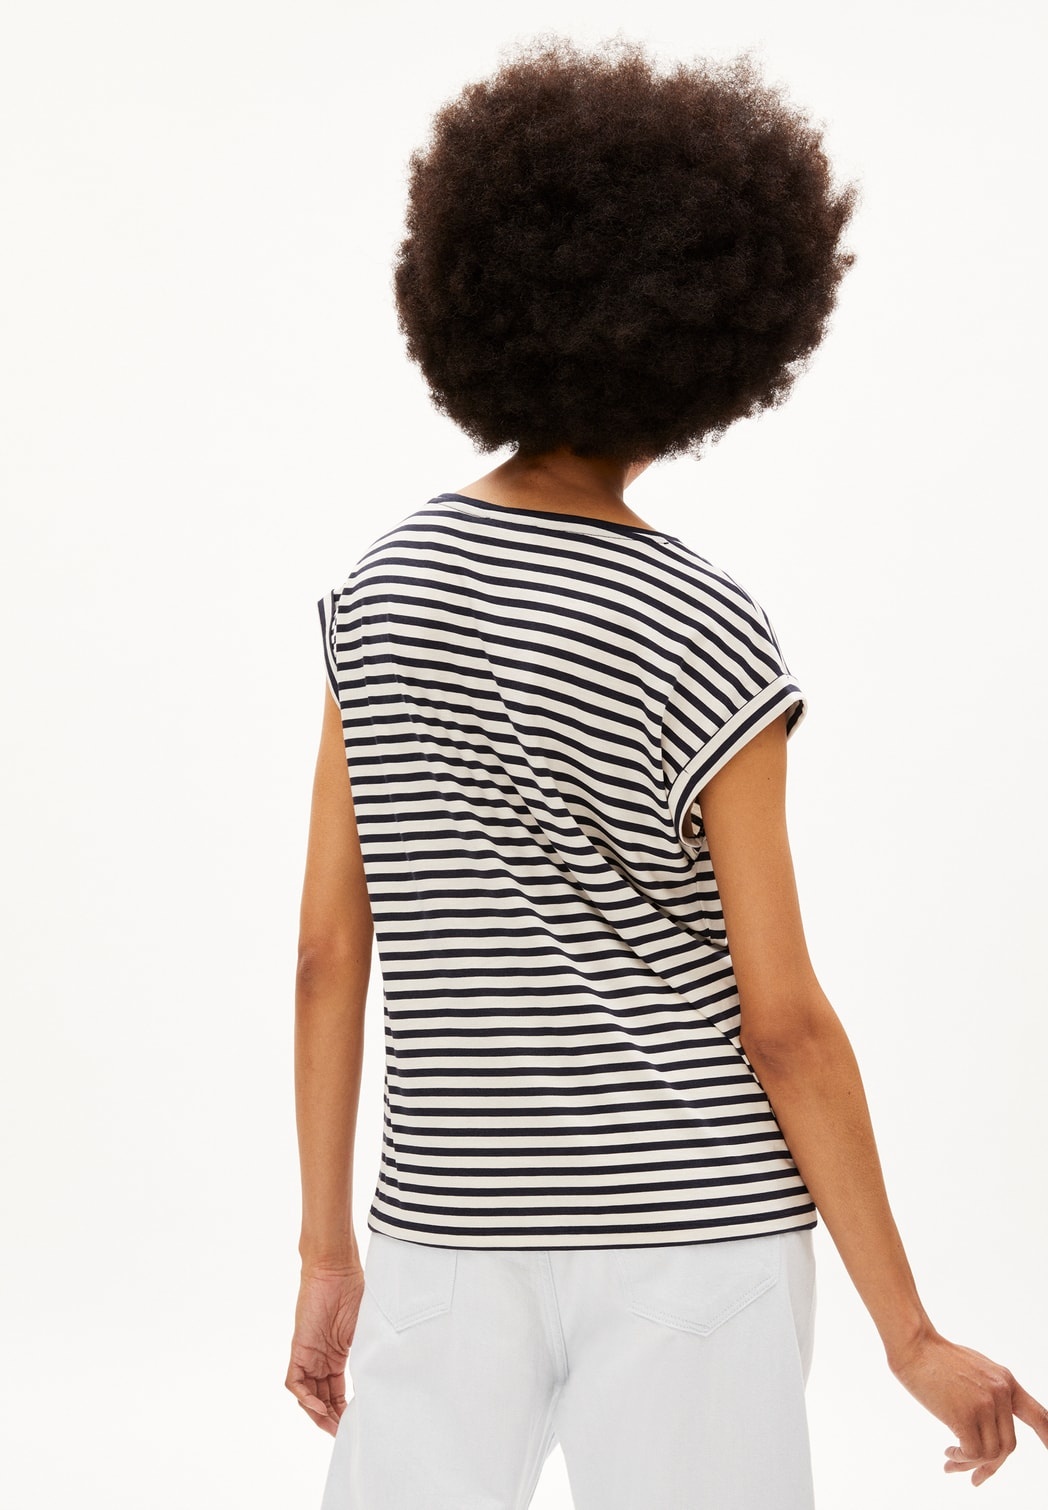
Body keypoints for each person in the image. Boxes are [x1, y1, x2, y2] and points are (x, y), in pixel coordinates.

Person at [286, 34, 1048, 1509]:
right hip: (699, 1233)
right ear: (718, 342)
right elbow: (785, 1025)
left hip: (447, 1223)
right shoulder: (703, 623)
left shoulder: (376, 597)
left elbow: (329, 951)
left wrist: (328, 1250)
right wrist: (910, 1333)